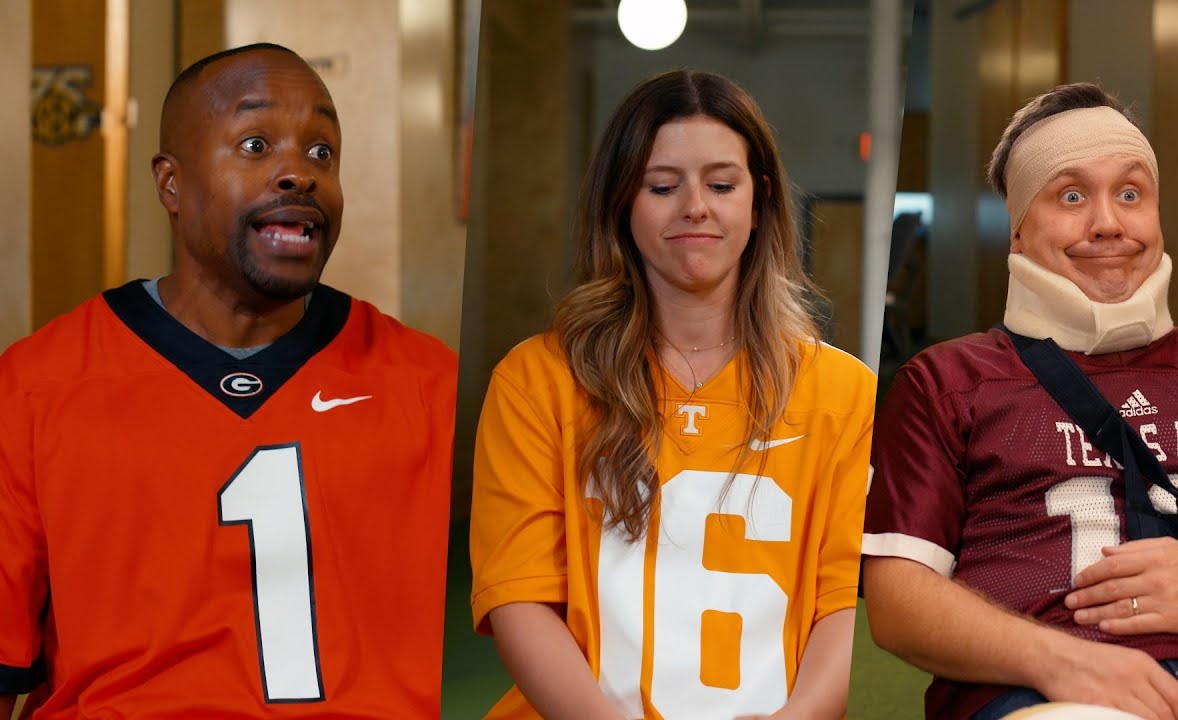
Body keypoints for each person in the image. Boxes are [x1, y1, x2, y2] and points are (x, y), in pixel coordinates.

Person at [0, 44, 456, 718]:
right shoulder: (36, 385)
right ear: (171, 185)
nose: (298, 173)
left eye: (322, 152)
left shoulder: (430, 384)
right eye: (255, 143)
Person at [861, 82, 1178, 720]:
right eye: (1072, 195)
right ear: (1018, 233)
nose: (1108, 223)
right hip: (1048, 688)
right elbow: (896, 601)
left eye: (1132, 193)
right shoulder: (946, 383)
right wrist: (1056, 659)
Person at [468, 70, 876, 720]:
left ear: (760, 199)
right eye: (662, 186)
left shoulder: (844, 392)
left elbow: (838, 606)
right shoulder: (536, 380)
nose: (695, 207)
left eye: (721, 184)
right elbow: (520, 599)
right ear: (622, 202)